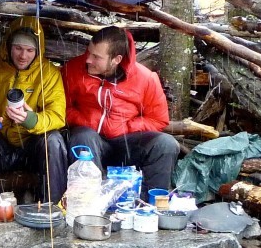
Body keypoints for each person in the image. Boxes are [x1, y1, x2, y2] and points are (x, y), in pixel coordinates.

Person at [61, 26, 178, 199]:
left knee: (166, 144)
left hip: (126, 143)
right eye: (89, 52)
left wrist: (126, 126)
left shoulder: (145, 78)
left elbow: (158, 120)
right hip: (91, 140)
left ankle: (151, 205)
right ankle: (89, 202)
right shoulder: (72, 69)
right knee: (83, 136)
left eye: (96, 57)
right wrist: (89, 121)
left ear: (116, 59)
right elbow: (61, 108)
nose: (88, 60)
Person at [0, 16, 68, 202]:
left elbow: (57, 115)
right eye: (18, 48)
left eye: (30, 50)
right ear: (8, 46)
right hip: (1, 143)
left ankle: (53, 208)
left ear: (38, 51)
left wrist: (30, 119)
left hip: (32, 146)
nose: (23, 56)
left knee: (53, 140)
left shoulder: (49, 74)